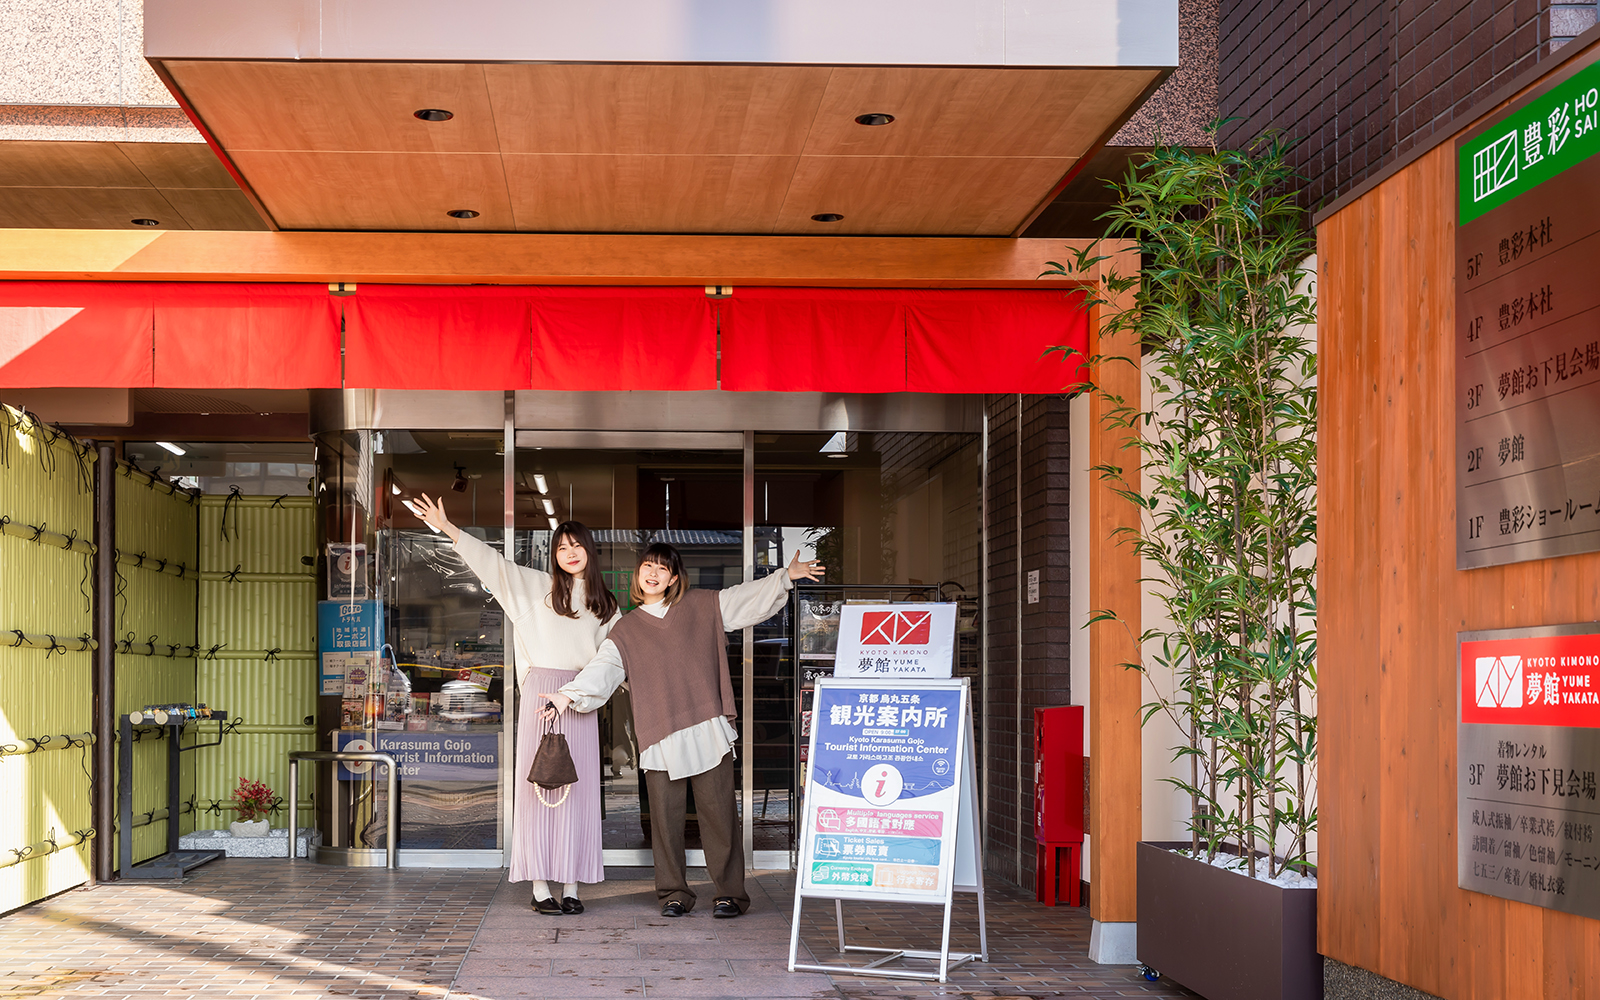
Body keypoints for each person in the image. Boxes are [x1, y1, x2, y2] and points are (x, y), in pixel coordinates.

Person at [542, 542, 823, 918]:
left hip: (707, 726)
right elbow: (603, 669)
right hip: (659, 732)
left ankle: (730, 894)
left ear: (674, 577)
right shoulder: (626, 629)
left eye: (662, 568)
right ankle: (673, 892)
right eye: (647, 566)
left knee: (720, 816)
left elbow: (742, 599)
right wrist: (566, 696)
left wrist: (785, 577)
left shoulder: (700, 606)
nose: (653, 573)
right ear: (637, 575)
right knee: (665, 821)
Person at [413, 495, 619, 916]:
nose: (570, 553)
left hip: (579, 697)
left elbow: (611, 662)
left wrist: (576, 694)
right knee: (538, 787)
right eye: (562, 547)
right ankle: (541, 885)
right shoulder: (535, 587)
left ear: (589, 550)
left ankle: (573, 883)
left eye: (576, 545)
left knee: (577, 793)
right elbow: (492, 564)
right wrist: (447, 527)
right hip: (543, 694)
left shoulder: (607, 605)